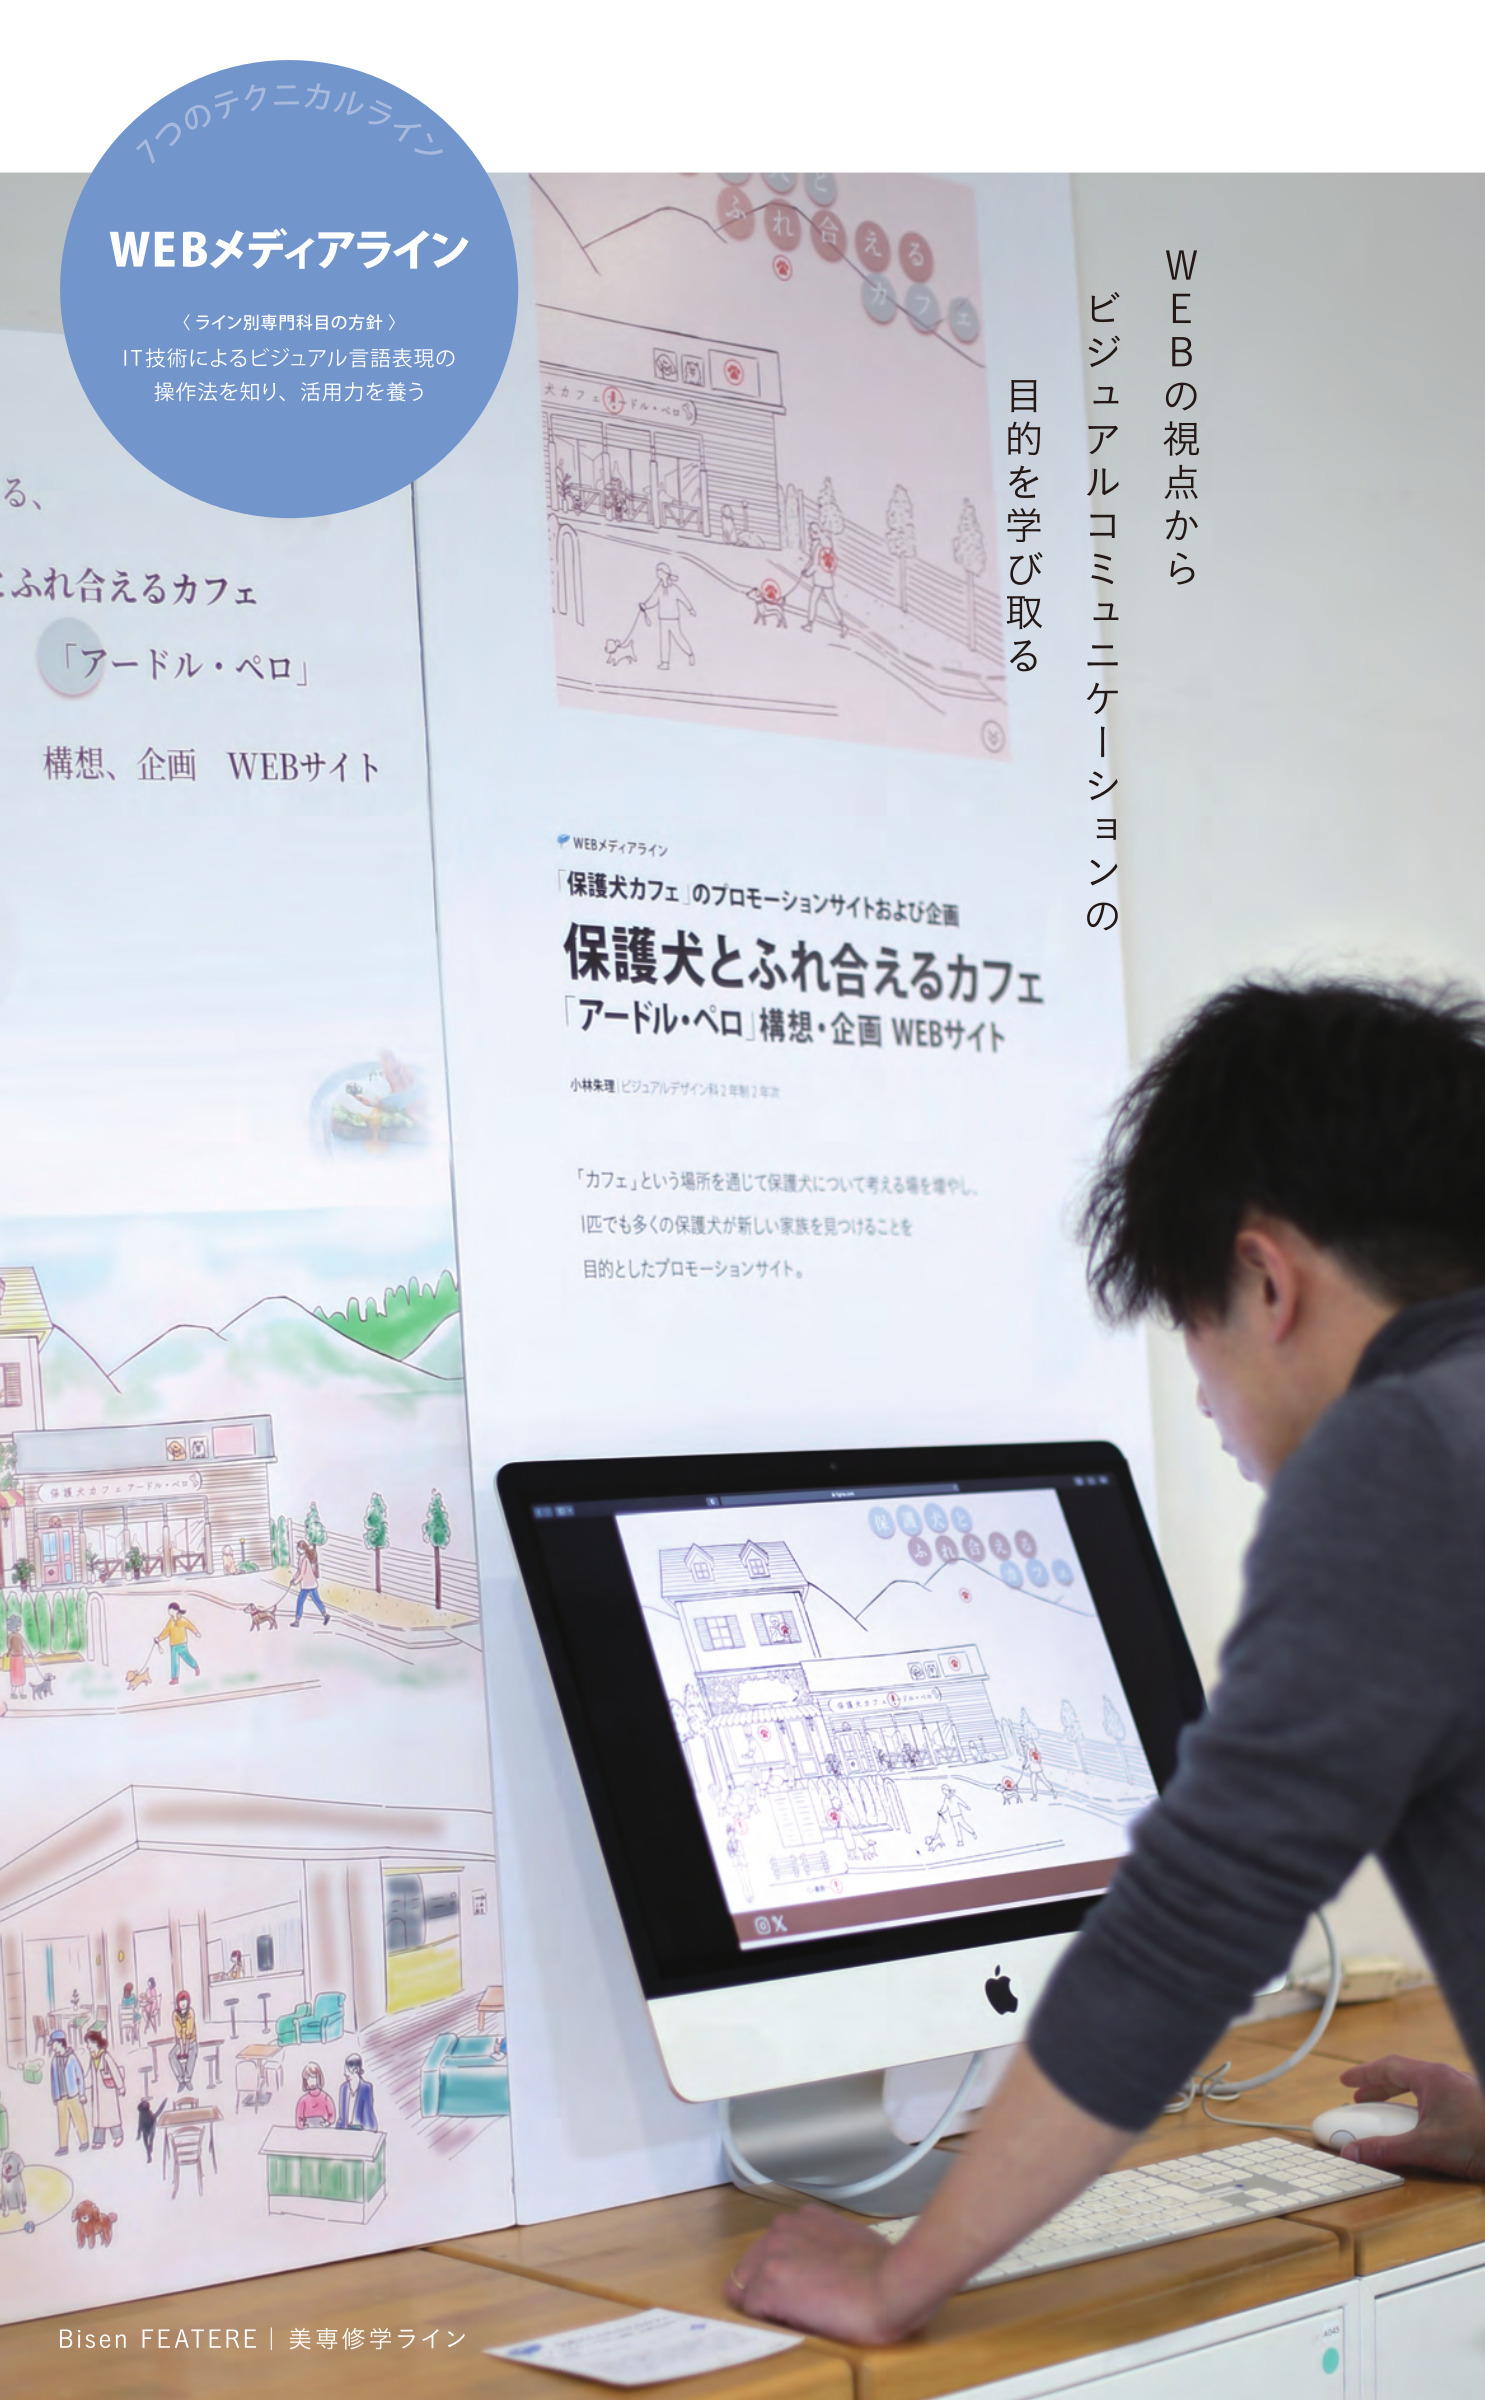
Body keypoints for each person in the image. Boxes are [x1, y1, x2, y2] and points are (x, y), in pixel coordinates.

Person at [730, 978, 1485, 2342]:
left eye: (1191, 1327)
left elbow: (1194, 1924)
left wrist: (897, 2277)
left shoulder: (1403, 1455)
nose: (1201, 1391)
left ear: (1268, 1281)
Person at [85, 2027, 127, 2148]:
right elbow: (90, 2075)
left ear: (95, 2043)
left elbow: (115, 2071)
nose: (88, 2046)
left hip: (107, 2092)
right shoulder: (93, 2058)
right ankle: (99, 2140)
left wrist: (120, 2086)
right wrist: (82, 2085)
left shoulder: (105, 2056)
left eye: (89, 2043)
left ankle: (118, 2136)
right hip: (97, 2094)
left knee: (111, 2115)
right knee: (98, 2118)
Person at [49, 2029, 88, 2155]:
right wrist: (55, 2096)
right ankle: (63, 2146)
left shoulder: (71, 2058)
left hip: (73, 2095)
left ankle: (84, 2141)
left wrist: (82, 2093)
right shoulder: (54, 2060)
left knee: (79, 2118)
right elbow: (53, 2080)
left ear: (60, 2043)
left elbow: (80, 2075)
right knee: (62, 2122)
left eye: (53, 2044)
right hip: (61, 2097)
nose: (52, 2047)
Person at [155, 1601, 201, 1683]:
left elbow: (190, 1625)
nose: (169, 1612)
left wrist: (196, 1632)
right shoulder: (170, 1622)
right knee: (174, 1661)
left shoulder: (183, 1620)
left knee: (187, 1657)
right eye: (169, 1610)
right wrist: (159, 1638)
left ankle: (195, 1667)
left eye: (170, 1610)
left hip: (182, 1643)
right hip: (173, 1645)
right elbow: (166, 1631)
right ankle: (175, 1678)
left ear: (175, 1610)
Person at [291, 1538, 329, 1626]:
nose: (297, 1550)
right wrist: (293, 1578)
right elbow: (299, 1570)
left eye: (299, 1548)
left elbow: (302, 1574)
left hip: (310, 1584)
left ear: (303, 1549)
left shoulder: (305, 1559)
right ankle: (297, 1620)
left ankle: (325, 1615)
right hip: (306, 1584)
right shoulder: (301, 1558)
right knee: (301, 1601)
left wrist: (295, 1582)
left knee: (315, 1600)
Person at [336, 2053, 377, 2132]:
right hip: (344, 2132)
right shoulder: (344, 2088)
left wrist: (368, 2132)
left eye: (347, 2068)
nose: (345, 2073)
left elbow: (368, 2114)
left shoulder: (366, 2088)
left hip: (362, 2131)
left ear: (356, 2069)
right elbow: (342, 2118)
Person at [170, 1989, 198, 2091]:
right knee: (171, 2056)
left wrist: (186, 2048)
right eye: (181, 2001)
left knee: (192, 2054)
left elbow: (189, 2031)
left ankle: (188, 2078)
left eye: (185, 2001)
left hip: (191, 2042)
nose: (183, 2004)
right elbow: (178, 2031)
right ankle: (181, 2079)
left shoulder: (190, 2012)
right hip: (180, 2043)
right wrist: (182, 2048)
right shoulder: (175, 2014)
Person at [295, 2062, 336, 2130]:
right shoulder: (303, 2100)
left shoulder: (326, 2098)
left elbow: (332, 2115)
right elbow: (299, 2119)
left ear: (318, 2078)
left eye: (313, 2077)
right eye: (308, 2079)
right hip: (307, 2132)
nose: (311, 2081)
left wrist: (327, 2123)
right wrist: (303, 2126)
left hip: (323, 2131)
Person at [5, 1611, 30, 1702]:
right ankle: (13, 1693)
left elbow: (25, 1645)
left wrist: (29, 1653)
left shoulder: (19, 1636)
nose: (20, 1626)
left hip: (20, 1657)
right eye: (18, 1624)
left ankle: (21, 1693)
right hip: (15, 1658)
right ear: (14, 1626)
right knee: (15, 1676)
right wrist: (9, 1652)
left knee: (20, 1676)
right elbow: (9, 1647)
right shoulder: (11, 1636)